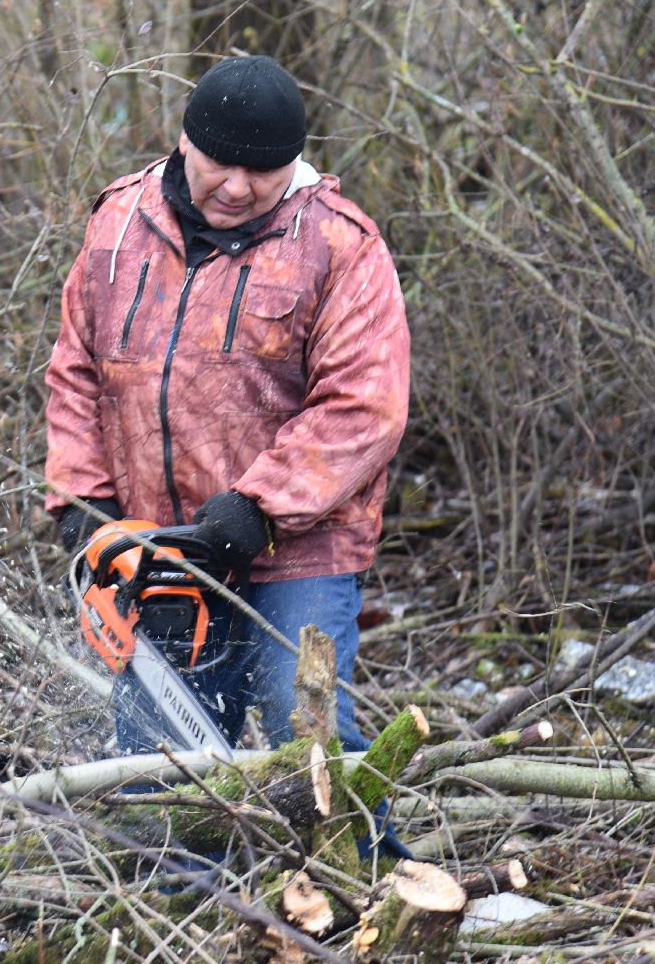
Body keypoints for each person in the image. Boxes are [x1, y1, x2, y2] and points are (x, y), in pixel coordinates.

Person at [44, 55, 409, 755]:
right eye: (221, 165)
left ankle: (355, 866)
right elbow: (75, 371)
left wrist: (260, 507)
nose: (238, 188)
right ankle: (186, 870)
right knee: (160, 762)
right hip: (162, 547)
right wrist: (82, 504)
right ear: (186, 142)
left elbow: (366, 406)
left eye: (262, 172)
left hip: (298, 551)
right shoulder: (120, 225)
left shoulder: (339, 245)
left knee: (305, 734)